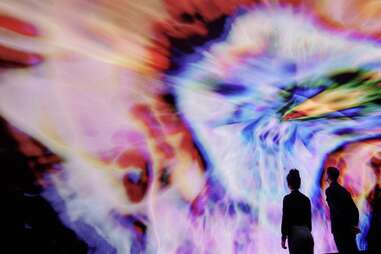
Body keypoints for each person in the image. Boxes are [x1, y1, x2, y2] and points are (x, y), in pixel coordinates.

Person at [325, 166, 359, 253]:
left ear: (328, 176)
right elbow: (355, 209)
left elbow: (335, 209)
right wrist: (353, 225)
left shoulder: (329, 191)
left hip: (339, 229)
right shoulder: (344, 190)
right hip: (349, 229)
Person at [281, 169, 314, 254]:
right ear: (299, 183)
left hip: (294, 237)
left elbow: (285, 219)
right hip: (307, 235)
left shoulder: (287, 199)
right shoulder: (306, 199)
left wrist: (283, 237)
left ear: (288, 184)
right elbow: (309, 222)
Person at [366, 156, 381, 254]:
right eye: (374, 167)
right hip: (374, 227)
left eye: (377, 167)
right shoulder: (374, 188)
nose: (375, 170)